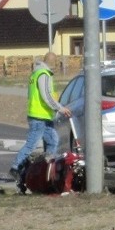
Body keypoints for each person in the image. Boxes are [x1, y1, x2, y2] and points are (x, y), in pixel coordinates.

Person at [9, 52, 72, 180]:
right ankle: (15, 167)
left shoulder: (35, 74)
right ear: (53, 62)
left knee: (53, 140)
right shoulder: (43, 74)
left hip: (42, 116)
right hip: (39, 116)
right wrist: (60, 108)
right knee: (31, 144)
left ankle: (48, 168)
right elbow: (46, 96)